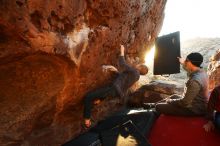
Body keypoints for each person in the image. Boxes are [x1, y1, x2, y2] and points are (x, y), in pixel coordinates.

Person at [83, 45, 148, 128]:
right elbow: (124, 79)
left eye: (139, 65)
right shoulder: (136, 76)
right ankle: (99, 100)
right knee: (99, 97)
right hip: (116, 93)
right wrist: (116, 71)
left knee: (88, 97)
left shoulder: (134, 71)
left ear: (140, 67)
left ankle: (87, 120)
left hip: (113, 89)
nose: (137, 65)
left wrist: (122, 51)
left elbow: (123, 64)